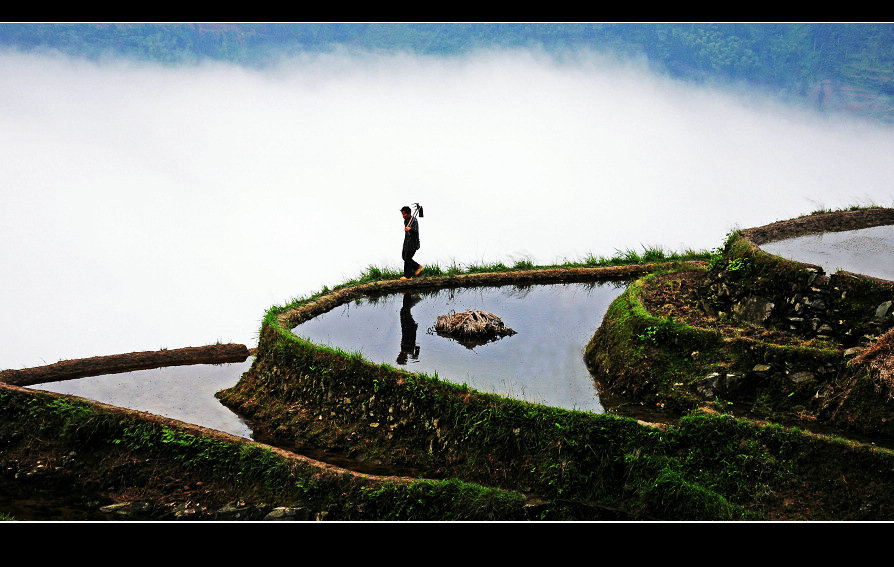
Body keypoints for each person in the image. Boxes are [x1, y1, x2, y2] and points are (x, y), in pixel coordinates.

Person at [400, 205, 423, 280]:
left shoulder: (414, 220)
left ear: (409, 213)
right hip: (406, 242)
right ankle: (417, 267)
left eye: (404, 214)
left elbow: (415, 231)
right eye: (402, 214)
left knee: (407, 259)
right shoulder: (406, 221)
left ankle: (408, 276)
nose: (403, 216)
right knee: (404, 257)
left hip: (413, 243)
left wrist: (410, 229)